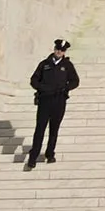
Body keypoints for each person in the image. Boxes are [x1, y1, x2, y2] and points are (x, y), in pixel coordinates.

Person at [25, 39, 80, 169]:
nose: (59, 52)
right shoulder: (44, 64)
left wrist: (66, 88)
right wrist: (42, 88)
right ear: (54, 49)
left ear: (64, 52)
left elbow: (75, 81)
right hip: (45, 100)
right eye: (57, 49)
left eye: (61, 50)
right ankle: (33, 156)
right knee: (40, 129)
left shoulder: (67, 65)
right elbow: (34, 80)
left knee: (54, 129)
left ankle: (50, 154)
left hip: (59, 100)